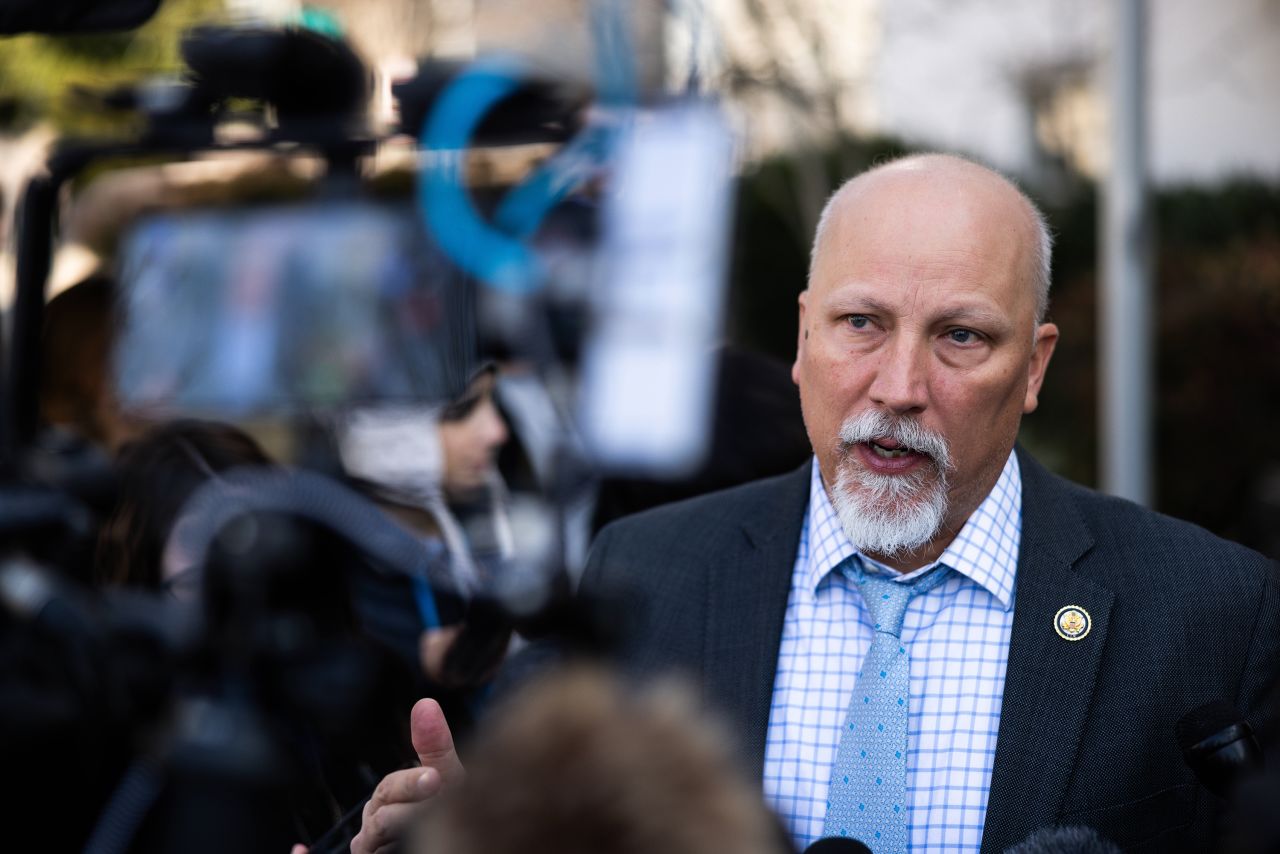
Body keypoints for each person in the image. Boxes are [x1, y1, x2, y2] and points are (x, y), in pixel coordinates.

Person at [354, 154, 1280, 854]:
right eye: (861, 324)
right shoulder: (643, 573)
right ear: (802, 335)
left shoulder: (1213, 614)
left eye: (960, 337)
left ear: (1033, 368)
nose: (898, 386)